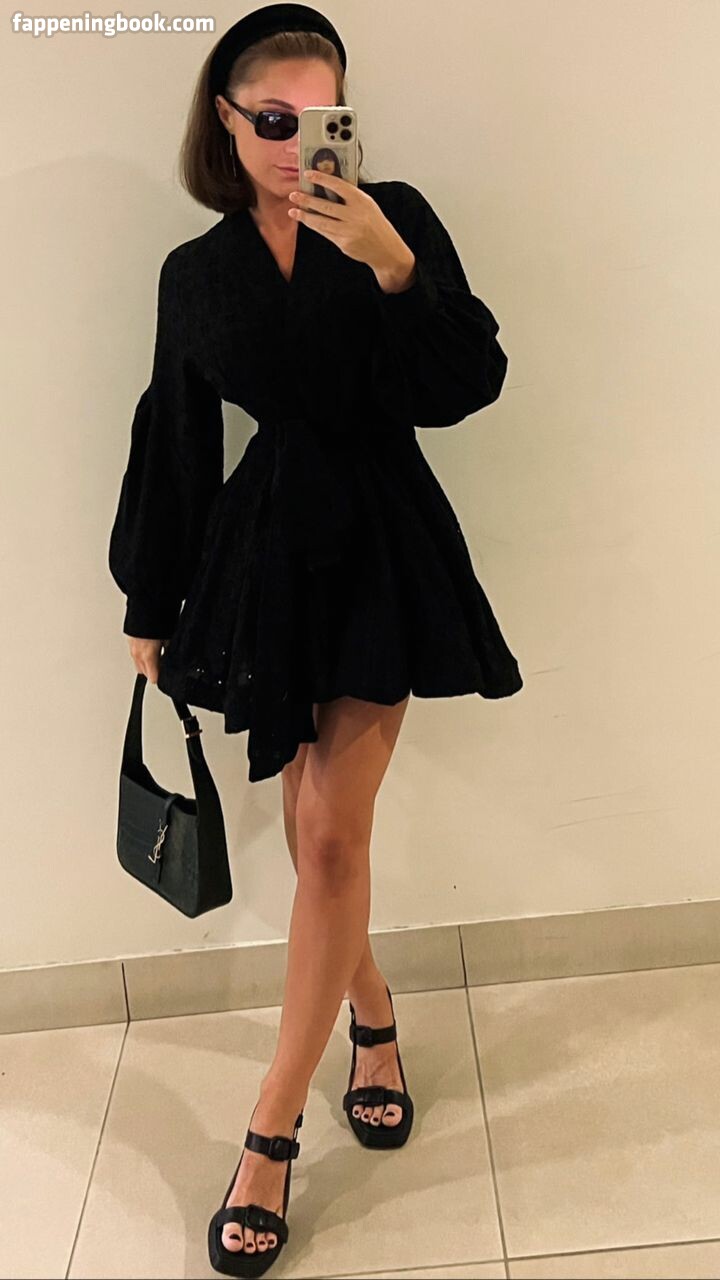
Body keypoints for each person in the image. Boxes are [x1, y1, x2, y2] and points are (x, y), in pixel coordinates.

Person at [107, 5, 523, 1274]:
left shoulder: (393, 219)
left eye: (323, 117)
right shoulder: (198, 271)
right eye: (275, 121)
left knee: (333, 832)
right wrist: (148, 599)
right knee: (306, 827)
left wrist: (397, 269)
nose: (300, 146)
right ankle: (374, 1013)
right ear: (228, 124)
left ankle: (270, 1132)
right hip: (269, 547)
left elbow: (469, 382)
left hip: (383, 536)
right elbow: (178, 433)